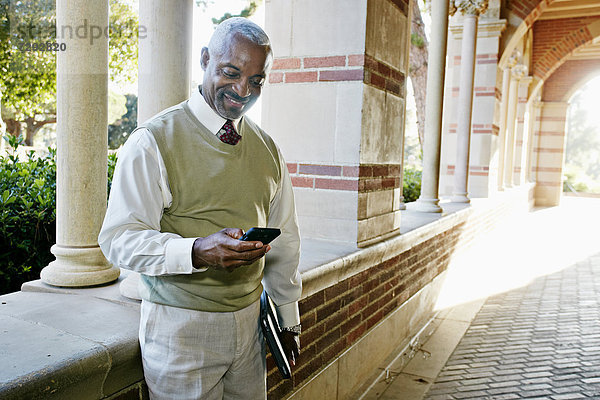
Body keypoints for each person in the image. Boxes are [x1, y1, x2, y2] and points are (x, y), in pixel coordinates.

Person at [99, 17, 302, 400]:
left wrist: (287, 317)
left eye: (257, 80)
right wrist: (196, 250)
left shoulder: (268, 149)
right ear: (205, 59)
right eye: (231, 72)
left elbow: (285, 237)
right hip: (180, 330)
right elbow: (118, 241)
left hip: (252, 326)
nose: (243, 90)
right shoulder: (152, 141)